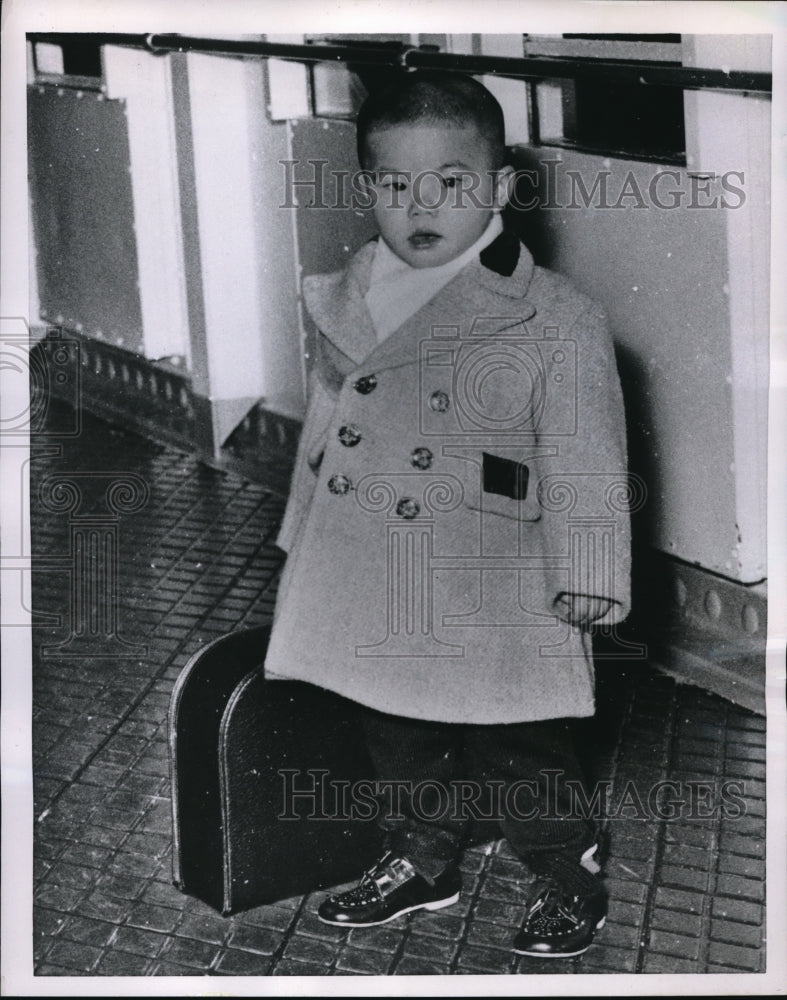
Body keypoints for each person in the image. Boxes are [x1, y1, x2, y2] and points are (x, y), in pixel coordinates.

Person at [264, 70, 631, 958]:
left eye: (452, 183)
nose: (420, 206)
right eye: (395, 185)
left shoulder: (552, 314)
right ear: (367, 189)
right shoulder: (352, 292)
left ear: (500, 188)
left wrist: (587, 570)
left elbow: (586, 452)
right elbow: (330, 426)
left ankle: (565, 870)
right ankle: (422, 859)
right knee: (394, 726)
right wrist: (300, 537)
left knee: (517, 741)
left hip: (493, 567)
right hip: (374, 562)